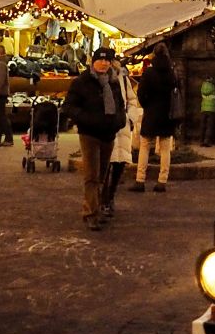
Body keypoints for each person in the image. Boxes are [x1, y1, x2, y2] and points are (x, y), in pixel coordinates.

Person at [63, 46, 125, 230]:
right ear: (93, 61)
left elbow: (120, 104)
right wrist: (87, 119)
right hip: (89, 134)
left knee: (102, 175)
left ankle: (96, 208)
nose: (104, 63)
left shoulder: (114, 81)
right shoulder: (81, 82)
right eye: (101, 59)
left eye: (108, 60)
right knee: (91, 175)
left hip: (108, 134)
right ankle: (90, 212)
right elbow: (68, 107)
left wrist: (119, 121)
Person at [133, 42, 179, 192]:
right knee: (165, 148)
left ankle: (140, 180)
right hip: (167, 114)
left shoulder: (149, 73)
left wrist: (147, 105)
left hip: (151, 113)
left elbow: (140, 93)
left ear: (154, 54)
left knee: (145, 146)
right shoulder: (172, 73)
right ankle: (162, 181)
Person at [104, 56, 141, 213]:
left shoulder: (123, 79)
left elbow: (132, 100)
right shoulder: (100, 79)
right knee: (106, 165)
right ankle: (103, 199)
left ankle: (110, 196)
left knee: (119, 165)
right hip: (106, 127)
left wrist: (130, 117)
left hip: (122, 127)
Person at [199, 76, 215, 146]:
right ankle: (206, 141)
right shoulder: (214, 89)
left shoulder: (202, 87)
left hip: (203, 109)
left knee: (203, 125)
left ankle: (201, 141)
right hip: (211, 110)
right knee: (209, 126)